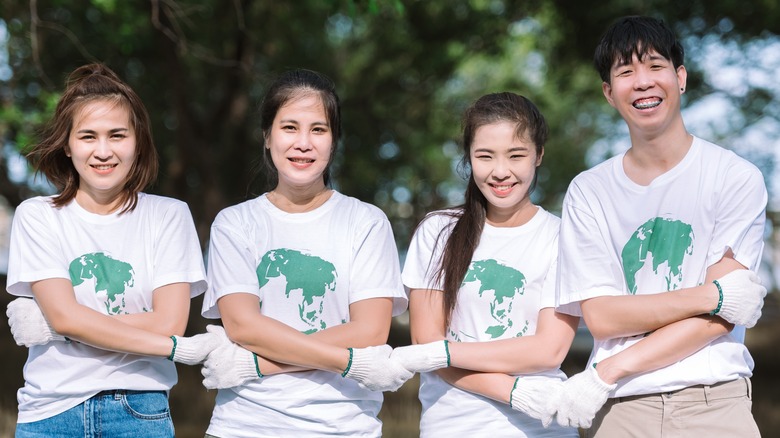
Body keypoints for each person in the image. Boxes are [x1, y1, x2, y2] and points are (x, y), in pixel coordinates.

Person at [550, 16, 767, 437]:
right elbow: (604, 318)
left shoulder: (734, 177)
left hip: (714, 402)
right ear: (609, 94)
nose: (643, 82)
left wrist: (607, 370)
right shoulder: (589, 191)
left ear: (680, 77)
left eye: (654, 66)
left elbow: (721, 319)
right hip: (619, 411)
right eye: (626, 72)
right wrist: (712, 294)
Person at [4, 63, 219, 437]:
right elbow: (68, 317)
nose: (103, 151)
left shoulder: (169, 215)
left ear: (137, 143)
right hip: (49, 412)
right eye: (88, 136)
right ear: (68, 146)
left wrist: (55, 328)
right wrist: (66, 322)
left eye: (117, 135)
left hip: (140, 409)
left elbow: (169, 324)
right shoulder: (37, 216)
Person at [198, 68, 411, 437]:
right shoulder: (234, 224)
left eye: (318, 129)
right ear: (267, 137)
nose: (303, 143)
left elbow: (371, 329)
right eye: (289, 127)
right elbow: (244, 326)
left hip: (344, 427)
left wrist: (256, 364)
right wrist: (350, 363)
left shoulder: (366, 222)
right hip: (245, 425)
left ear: (333, 140)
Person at [393, 92, 580, 437]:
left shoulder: (563, 238)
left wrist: (447, 353)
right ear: (468, 158)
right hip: (452, 427)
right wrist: (511, 391)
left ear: (538, 155)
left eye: (516, 155)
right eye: (485, 156)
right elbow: (426, 345)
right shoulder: (438, 231)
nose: (500, 172)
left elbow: (548, 350)